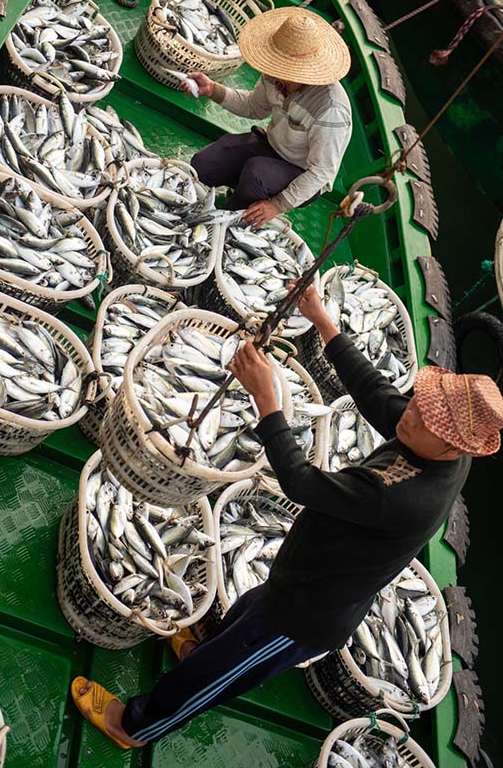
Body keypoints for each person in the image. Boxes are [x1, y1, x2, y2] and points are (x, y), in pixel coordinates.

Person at [70, 286, 503, 749]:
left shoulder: (404, 497)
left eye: (423, 419)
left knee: (216, 675)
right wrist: (322, 321)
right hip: (298, 575)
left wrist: (267, 402)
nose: (410, 416)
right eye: (419, 406)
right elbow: (376, 396)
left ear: (454, 446)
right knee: (236, 619)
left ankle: (136, 725)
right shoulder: (438, 442)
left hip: (305, 615)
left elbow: (300, 483)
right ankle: (204, 648)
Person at [183, 7, 352, 228]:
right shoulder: (275, 73)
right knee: (204, 164)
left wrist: (278, 205)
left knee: (257, 174)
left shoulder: (331, 109)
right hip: (270, 146)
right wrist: (212, 90)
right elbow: (253, 107)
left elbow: (321, 172)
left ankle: (233, 219)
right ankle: (244, 192)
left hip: (301, 171)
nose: (276, 72)